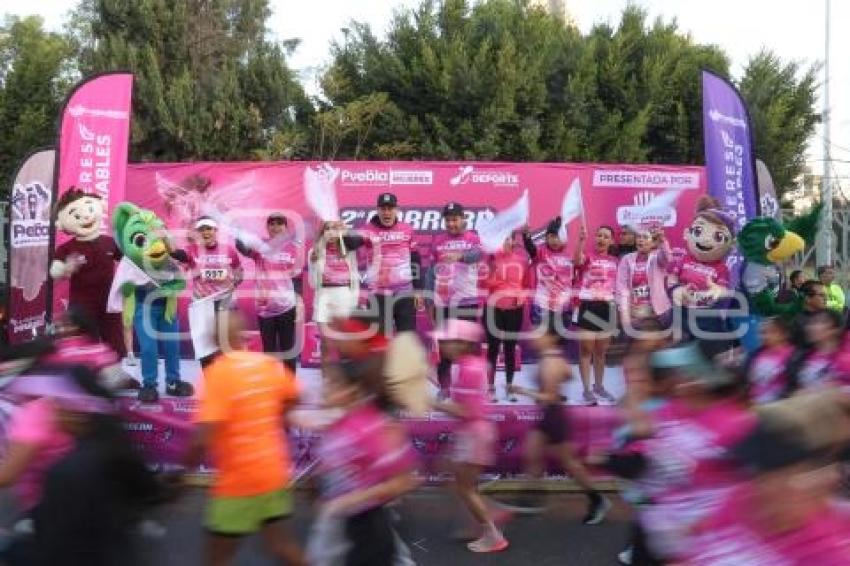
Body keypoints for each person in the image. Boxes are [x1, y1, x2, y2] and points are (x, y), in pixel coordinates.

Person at [184, 311, 305, 566]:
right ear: (242, 336)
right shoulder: (268, 364)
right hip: (273, 473)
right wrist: (278, 416)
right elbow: (295, 395)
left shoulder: (217, 375)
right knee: (281, 545)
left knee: (217, 558)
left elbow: (203, 438)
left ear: (216, 339)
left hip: (237, 482)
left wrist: (183, 470)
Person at [624, 342, 755, 564]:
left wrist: (699, 525)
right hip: (658, 526)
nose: (678, 379)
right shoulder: (671, 409)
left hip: (705, 537)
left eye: (686, 372)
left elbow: (750, 489)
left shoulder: (736, 424)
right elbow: (642, 451)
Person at [687, 398, 850, 564]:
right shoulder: (744, 497)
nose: (756, 481)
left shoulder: (826, 556)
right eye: (754, 469)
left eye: (768, 470)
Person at [33, 368, 164, 566]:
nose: (53, 411)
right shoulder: (114, 447)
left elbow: (59, 548)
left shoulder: (65, 472)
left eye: (57, 404)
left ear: (76, 413)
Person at [308, 361, 418, 566]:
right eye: (326, 381)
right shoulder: (339, 423)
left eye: (332, 383)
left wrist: (351, 499)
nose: (324, 388)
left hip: (367, 526)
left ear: (353, 390)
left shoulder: (371, 428)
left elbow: (403, 481)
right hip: (339, 522)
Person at [508, 327, 611, 523]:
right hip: (549, 413)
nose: (534, 338)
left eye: (540, 335)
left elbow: (550, 396)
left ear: (552, 338)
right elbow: (568, 375)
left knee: (570, 464)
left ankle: (598, 499)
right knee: (532, 455)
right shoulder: (553, 359)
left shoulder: (550, 362)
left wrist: (522, 391)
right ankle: (531, 499)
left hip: (554, 415)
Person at [431, 319, 509, 553]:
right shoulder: (465, 365)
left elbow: (467, 411)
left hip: (474, 434)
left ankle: (492, 535)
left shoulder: (468, 369)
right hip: (470, 433)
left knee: (465, 487)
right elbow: (460, 401)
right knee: (456, 480)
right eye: (441, 341)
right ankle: (486, 518)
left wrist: (429, 403)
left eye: (447, 341)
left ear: (463, 344)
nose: (442, 345)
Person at [235, 211, 303, 372]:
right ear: (267, 227)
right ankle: (270, 386)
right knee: (269, 350)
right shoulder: (261, 246)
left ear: (286, 227)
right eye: (271, 224)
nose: (275, 227)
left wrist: (298, 301)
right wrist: (238, 233)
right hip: (264, 308)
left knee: (288, 348)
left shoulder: (294, 248)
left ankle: (290, 388)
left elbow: (298, 277)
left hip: (287, 306)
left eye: (279, 223)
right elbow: (243, 248)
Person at [174, 216, 244, 367]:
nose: (206, 232)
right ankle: (211, 384)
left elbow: (240, 272)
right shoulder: (191, 250)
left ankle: (229, 383)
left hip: (225, 301)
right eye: (202, 229)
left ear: (215, 231)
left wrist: (235, 283)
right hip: (202, 304)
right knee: (204, 348)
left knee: (227, 346)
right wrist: (169, 248)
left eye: (209, 229)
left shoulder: (229, 250)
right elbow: (179, 255)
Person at [430, 202, 483, 398]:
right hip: (444, 303)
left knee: (469, 349)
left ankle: (471, 389)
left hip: (467, 301)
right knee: (444, 349)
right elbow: (431, 272)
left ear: (463, 219)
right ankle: (444, 388)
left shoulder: (473, 238)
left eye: (455, 219)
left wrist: (459, 256)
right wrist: (429, 300)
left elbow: (477, 255)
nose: (451, 223)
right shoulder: (438, 241)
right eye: (448, 220)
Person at [361, 193, 423, 335]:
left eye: (390, 208)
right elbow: (350, 244)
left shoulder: (407, 229)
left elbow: (415, 259)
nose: (387, 212)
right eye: (383, 209)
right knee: (379, 340)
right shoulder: (367, 230)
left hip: (404, 293)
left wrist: (418, 289)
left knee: (407, 338)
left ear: (397, 210)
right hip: (378, 294)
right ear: (377, 210)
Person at [574, 225, 619, 405]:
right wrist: (581, 241)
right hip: (588, 306)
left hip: (607, 308)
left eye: (605, 236)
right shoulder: (588, 257)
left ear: (611, 241)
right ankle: (586, 390)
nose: (601, 239)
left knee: (601, 352)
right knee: (586, 350)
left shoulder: (616, 261)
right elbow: (576, 261)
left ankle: (598, 386)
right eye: (598, 235)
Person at [483, 233, 529, 402]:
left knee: (510, 349)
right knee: (493, 349)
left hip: (514, 310)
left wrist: (521, 297)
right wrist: (491, 268)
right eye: (502, 238)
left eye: (508, 238)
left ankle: (509, 388)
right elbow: (484, 284)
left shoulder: (522, 261)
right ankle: (490, 387)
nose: (506, 241)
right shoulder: (491, 259)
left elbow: (527, 285)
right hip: (493, 309)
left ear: (513, 241)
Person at [523, 217, 576, 341]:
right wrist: (526, 235)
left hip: (564, 308)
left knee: (558, 346)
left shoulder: (571, 256)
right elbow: (530, 248)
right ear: (546, 237)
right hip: (542, 308)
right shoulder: (540, 253)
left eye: (558, 237)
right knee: (545, 346)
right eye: (552, 236)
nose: (555, 240)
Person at [309, 221, 363, 336]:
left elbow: (355, 278)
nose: (331, 232)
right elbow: (312, 283)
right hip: (324, 296)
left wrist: (346, 231)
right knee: (325, 342)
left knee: (345, 340)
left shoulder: (349, 252)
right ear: (322, 233)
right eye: (327, 229)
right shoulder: (314, 253)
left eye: (334, 229)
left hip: (345, 295)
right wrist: (314, 263)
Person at [615, 225, 671, 335]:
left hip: (659, 312)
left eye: (645, 237)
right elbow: (621, 287)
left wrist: (662, 241)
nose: (641, 240)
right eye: (639, 237)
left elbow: (667, 258)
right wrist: (625, 313)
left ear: (652, 243)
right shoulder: (627, 259)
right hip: (636, 312)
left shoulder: (657, 257)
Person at [786, 309, 850, 393]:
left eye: (819, 322)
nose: (810, 327)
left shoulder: (845, 358)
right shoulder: (803, 356)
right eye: (810, 323)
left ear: (835, 330)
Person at [741, 317, 795, 404]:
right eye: (762, 333)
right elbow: (747, 380)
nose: (764, 336)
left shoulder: (794, 355)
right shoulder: (755, 354)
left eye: (771, 332)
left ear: (784, 333)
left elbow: (794, 384)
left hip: (780, 404)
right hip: (752, 403)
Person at [789, 279, 828, 348]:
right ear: (808, 298)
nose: (826, 298)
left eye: (826, 295)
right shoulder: (798, 323)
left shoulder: (831, 318)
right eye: (821, 295)